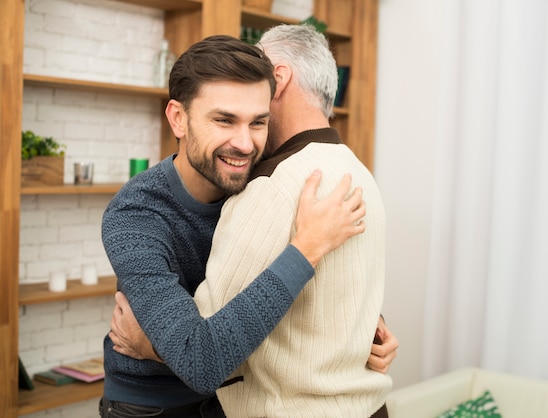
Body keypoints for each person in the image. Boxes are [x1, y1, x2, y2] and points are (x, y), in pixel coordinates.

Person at [100, 35, 369, 418]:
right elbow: (201, 364)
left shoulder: (256, 188)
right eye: (224, 120)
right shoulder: (135, 215)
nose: (244, 144)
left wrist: (373, 327)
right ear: (178, 118)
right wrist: (307, 248)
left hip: (240, 401)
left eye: (258, 122)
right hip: (152, 407)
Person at [192, 24, 392, 417]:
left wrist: (141, 342)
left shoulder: (275, 184)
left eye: (254, 72)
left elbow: (207, 344)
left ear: (277, 79)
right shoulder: (360, 174)